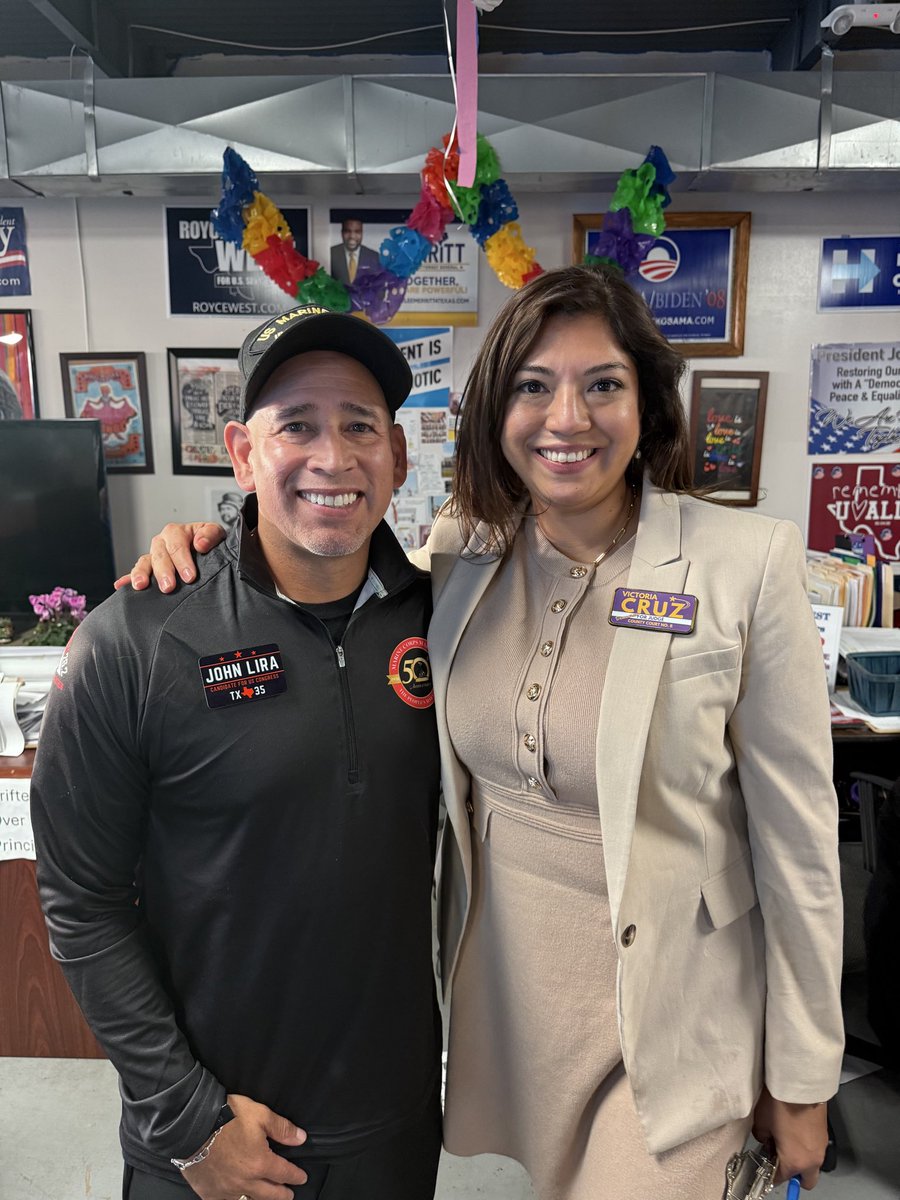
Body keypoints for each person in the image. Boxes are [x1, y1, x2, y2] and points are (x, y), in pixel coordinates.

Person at [123, 266, 844, 1200]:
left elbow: (801, 847)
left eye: (604, 385)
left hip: (676, 1012)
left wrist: (803, 1077)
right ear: (495, 411)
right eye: (533, 386)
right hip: (513, 1010)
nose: (567, 418)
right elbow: (320, 554)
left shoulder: (744, 560)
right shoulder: (468, 551)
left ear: (647, 403)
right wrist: (212, 546)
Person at [31, 304, 444, 1200]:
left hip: (396, 1125)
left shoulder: (449, 623)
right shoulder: (135, 640)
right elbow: (81, 903)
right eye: (295, 425)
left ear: (399, 457)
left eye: (360, 426)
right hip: (210, 1137)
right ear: (242, 453)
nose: (332, 458)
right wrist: (187, 1119)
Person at [329, 218, 380, 286]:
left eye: (357, 231)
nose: (352, 236)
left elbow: (378, 288)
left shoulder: (374, 257)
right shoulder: (331, 254)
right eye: (347, 231)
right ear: (341, 233)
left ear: (362, 233)